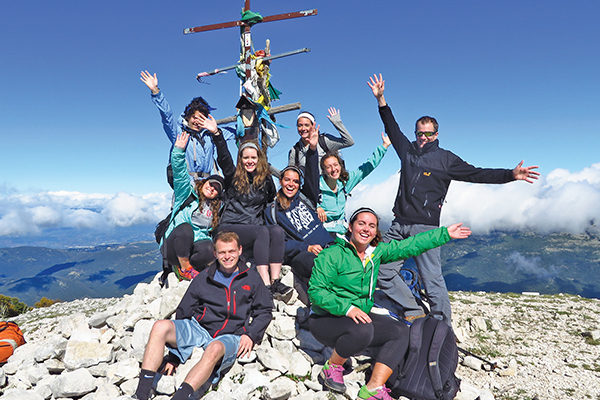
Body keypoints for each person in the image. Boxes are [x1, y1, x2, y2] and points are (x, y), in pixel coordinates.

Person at [367, 73, 540, 325]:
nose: (423, 138)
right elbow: (392, 129)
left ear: (436, 134)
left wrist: (511, 175)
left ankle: (442, 328)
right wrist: (382, 100)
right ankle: (413, 308)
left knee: (431, 278)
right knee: (382, 269)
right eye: (419, 134)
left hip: (425, 227)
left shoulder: (446, 160)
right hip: (398, 224)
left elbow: (476, 174)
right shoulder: (407, 151)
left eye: (428, 134)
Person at [308, 208, 471, 399]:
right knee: (364, 329)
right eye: (361, 223)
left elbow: (408, 246)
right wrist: (348, 308)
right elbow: (316, 292)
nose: (366, 229)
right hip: (325, 319)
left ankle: (373, 388)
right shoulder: (333, 254)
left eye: (372, 226)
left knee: (400, 332)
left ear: (376, 232)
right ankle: (332, 367)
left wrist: (444, 234)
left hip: (356, 318)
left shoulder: (375, 253)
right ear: (350, 227)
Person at [133, 231, 273, 400]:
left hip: (230, 335)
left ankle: (181, 397)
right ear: (215, 253)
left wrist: (251, 335)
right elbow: (184, 310)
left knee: (214, 348)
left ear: (240, 250)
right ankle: (141, 394)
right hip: (199, 328)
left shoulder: (251, 278)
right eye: (222, 252)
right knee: (160, 326)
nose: (227, 256)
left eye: (231, 251)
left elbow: (264, 311)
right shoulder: (204, 277)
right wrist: (174, 356)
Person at [195, 113, 290, 301]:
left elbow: (273, 199)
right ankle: (266, 285)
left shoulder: (266, 180)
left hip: (253, 227)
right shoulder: (232, 176)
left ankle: (276, 279)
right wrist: (217, 134)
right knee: (262, 232)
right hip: (230, 226)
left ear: (259, 158)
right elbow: (224, 159)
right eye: (245, 157)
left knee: (277, 231)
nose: (249, 161)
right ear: (241, 159)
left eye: (253, 157)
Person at [265, 131, 334, 304]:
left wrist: (312, 149)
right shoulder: (272, 210)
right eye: (287, 180)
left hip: (328, 245)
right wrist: (306, 247)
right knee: (316, 265)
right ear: (280, 181)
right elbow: (278, 243)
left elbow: (312, 175)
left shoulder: (305, 198)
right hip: (302, 254)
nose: (291, 184)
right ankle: (318, 299)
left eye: (295, 181)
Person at [140, 70, 232, 186]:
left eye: (201, 118)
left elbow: (235, 131)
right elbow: (167, 116)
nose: (197, 121)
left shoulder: (211, 134)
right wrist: (156, 91)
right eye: (194, 117)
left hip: (207, 186)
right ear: (187, 117)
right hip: (186, 185)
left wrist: (250, 118)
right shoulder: (179, 133)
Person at [160, 132, 223, 281]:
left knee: (209, 247)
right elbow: (180, 173)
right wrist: (178, 151)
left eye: (216, 189)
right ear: (204, 183)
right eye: (210, 184)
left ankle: (195, 268)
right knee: (185, 229)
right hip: (174, 245)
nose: (212, 188)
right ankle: (184, 269)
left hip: (194, 246)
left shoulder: (215, 208)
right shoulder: (187, 193)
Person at [317, 133, 391, 235]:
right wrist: (317, 207)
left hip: (342, 231)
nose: (333, 169)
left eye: (335, 165)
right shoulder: (317, 186)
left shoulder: (345, 182)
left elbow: (366, 168)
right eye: (329, 167)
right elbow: (302, 199)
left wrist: (384, 146)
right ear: (324, 170)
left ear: (340, 165)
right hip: (323, 233)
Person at [288, 108, 355, 172]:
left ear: (313, 126)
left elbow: (349, 142)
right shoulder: (295, 151)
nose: (303, 128)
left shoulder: (324, 141)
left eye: (306, 125)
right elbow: (291, 174)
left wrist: (337, 123)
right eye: (300, 125)